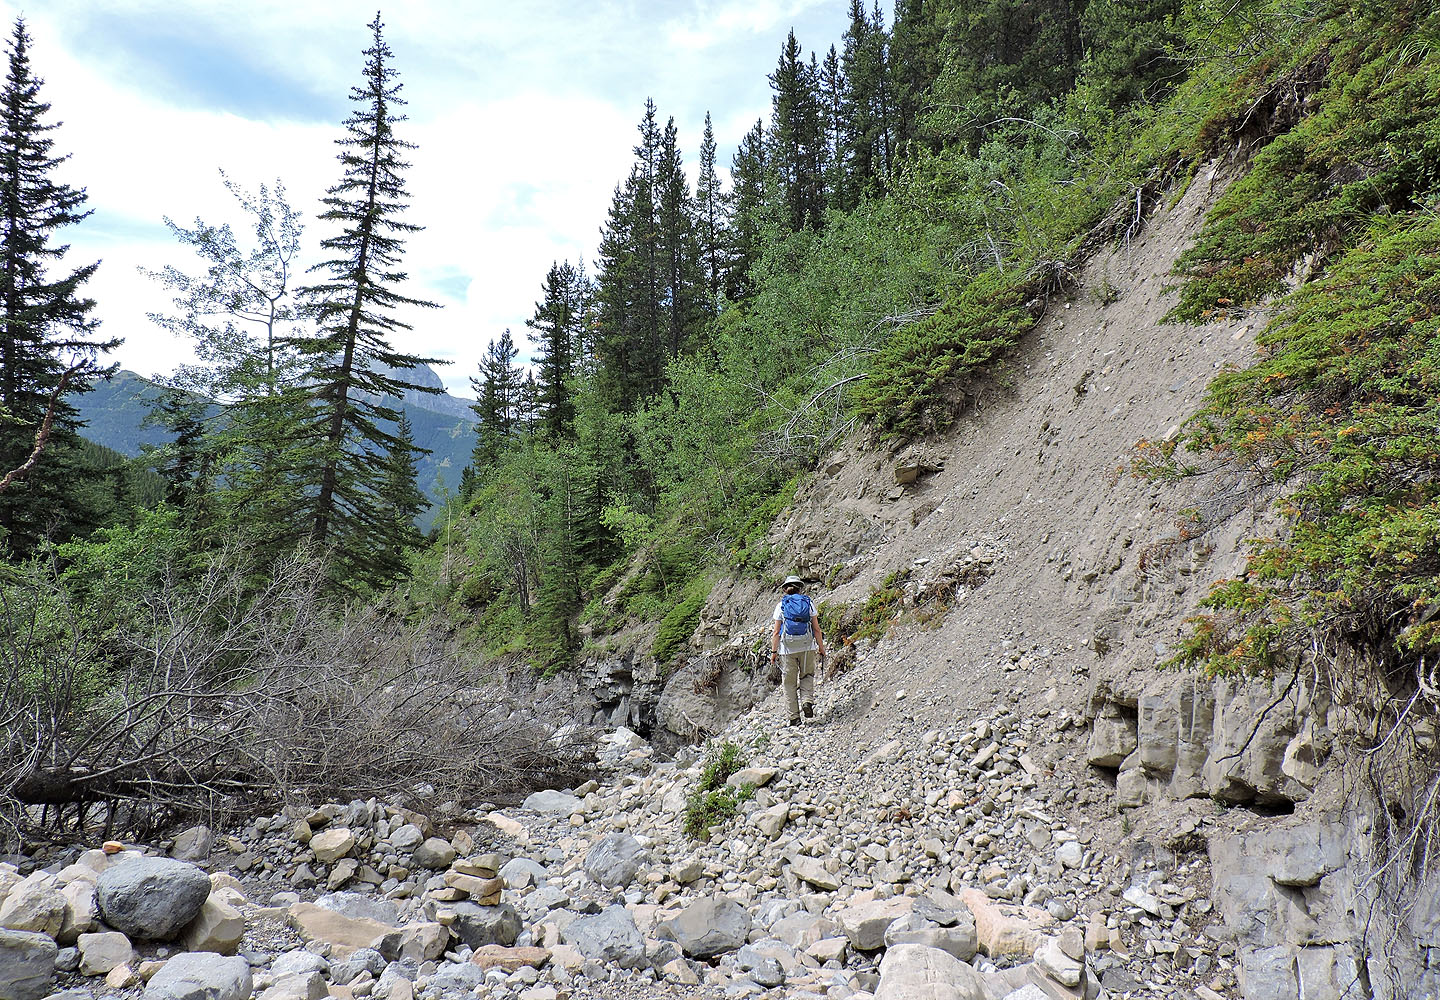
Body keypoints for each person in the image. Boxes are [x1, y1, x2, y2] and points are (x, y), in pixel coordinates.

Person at [770, 574, 826, 726]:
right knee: (807, 675)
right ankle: (807, 702)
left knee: (789, 683)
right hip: (807, 647)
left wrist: (774, 653)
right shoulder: (808, 603)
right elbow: (816, 629)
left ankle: (794, 718)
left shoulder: (780, 606)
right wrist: (821, 648)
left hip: (787, 650)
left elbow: (776, 633)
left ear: (785, 589)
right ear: (800, 588)